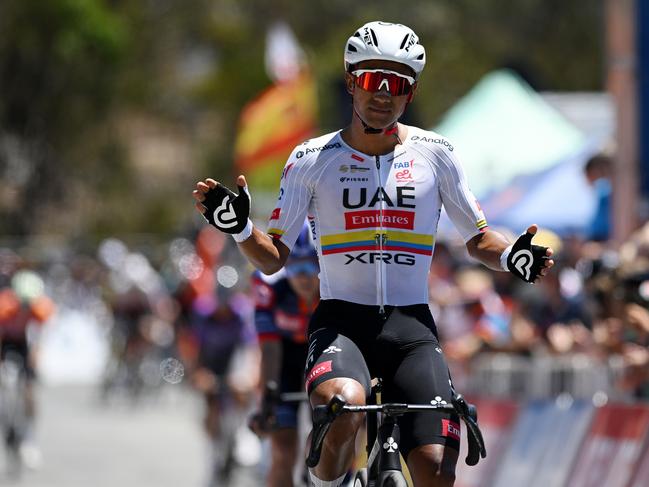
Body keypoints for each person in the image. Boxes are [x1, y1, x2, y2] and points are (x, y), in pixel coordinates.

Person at [193, 21, 554, 487]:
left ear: (411, 90)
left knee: (437, 470)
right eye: (370, 80)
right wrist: (240, 228)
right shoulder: (311, 159)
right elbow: (273, 259)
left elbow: (478, 237)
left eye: (397, 83)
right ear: (349, 81)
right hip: (342, 323)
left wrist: (510, 257)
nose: (383, 93)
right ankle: (331, 482)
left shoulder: (437, 154)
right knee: (342, 408)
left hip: (412, 329)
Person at [249, 222, 320, 487]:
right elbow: (269, 346)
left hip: (322, 356)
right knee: (283, 452)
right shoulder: (267, 284)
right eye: (295, 267)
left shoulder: (336, 287)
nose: (304, 276)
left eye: (312, 266)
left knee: (325, 451)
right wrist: (268, 394)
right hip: (284, 360)